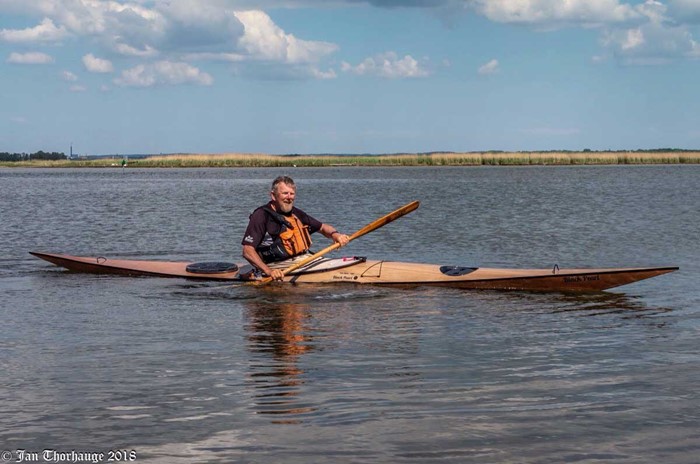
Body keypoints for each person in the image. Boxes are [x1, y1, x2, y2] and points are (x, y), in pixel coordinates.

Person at [241, 176, 350, 281]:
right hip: (279, 265)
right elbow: (247, 251)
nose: (289, 197)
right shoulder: (261, 215)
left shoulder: (296, 213)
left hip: (304, 259)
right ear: (273, 196)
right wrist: (269, 271)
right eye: (285, 193)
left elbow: (322, 227)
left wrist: (336, 235)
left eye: (291, 194)